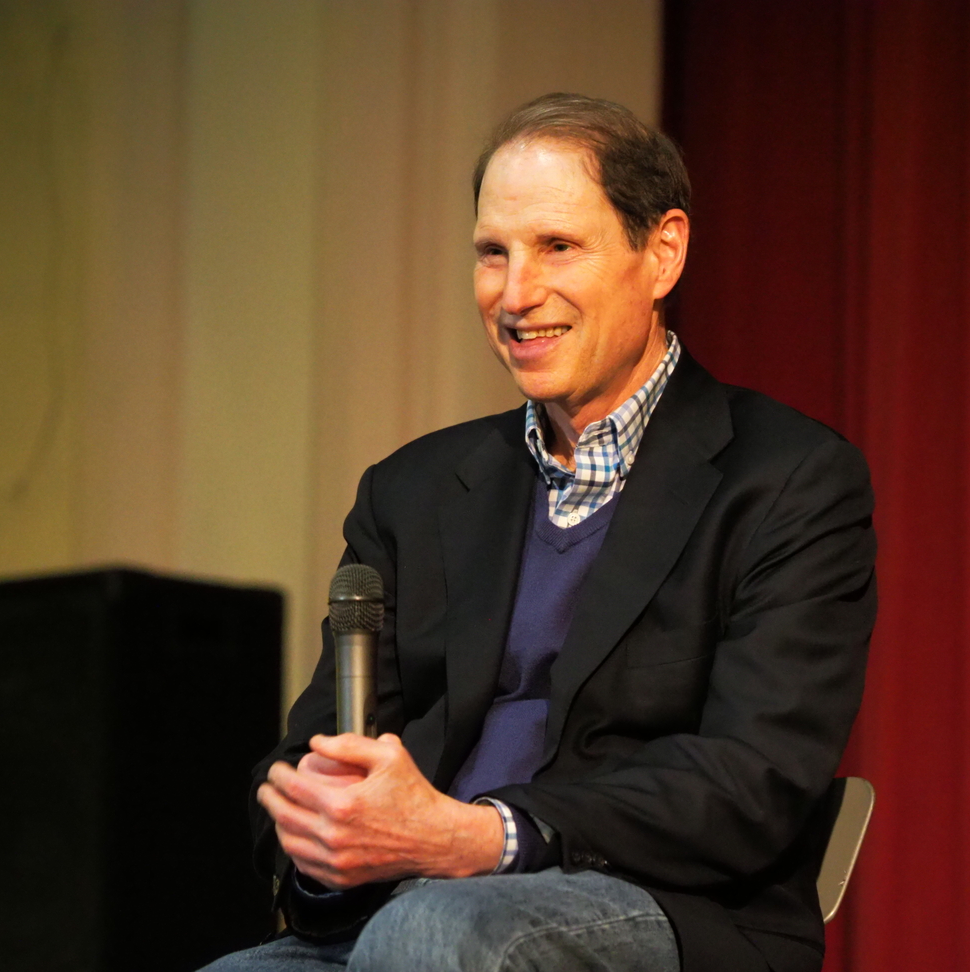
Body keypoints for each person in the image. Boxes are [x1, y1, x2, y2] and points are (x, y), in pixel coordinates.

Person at [201, 93, 876, 972]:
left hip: (659, 905)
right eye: (492, 253)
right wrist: (330, 836)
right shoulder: (413, 492)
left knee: (434, 938)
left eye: (558, 246)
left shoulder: (786, 480)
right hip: (403, 915)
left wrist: (479, 837)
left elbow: (751, 782)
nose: (517, 294)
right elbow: (303, 764)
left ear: (661, 251)